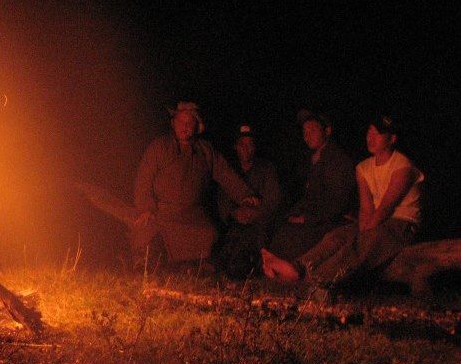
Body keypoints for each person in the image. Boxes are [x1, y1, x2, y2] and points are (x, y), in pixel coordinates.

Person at [261, 115, 423, 289]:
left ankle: (317, 279)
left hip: (401, 223)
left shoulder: (402, 166)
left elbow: (385, 208)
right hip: (373, 221)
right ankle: (298, 266)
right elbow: (366, 207)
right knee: (337, 236)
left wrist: (365, 232)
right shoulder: (363, 168)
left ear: (392, 139)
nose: (371, 138)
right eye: (369, 133)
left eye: (377, 134)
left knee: (364, 243)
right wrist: (362, 228)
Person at [132, 101, 258, 267]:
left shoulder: (205, 150)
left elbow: (226, 174)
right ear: (173, 123)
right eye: (181, 122)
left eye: (189, 123)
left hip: (193, 215)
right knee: (145, 232)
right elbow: (143, 180)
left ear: (197, 126)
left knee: (210, 235)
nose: (185, 126)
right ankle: (149, 264)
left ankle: (193, 265)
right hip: (162, 213)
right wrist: (146, 208)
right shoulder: (159, 147)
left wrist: (245, 195)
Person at [267, 109, 356, 261]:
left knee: (289, 242)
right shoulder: (313, 159)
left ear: (327, 131)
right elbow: (308, 196)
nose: (307, 136)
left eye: (313, 130)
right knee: (277, 227)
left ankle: (294, 270)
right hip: (315, 218)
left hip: (333, 221)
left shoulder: (337, 160)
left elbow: (338, 203)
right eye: (305, 132)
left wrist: (307, 218)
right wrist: (292, 214)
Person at [214, 124, 282, 278]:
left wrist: (255, 214)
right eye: (242, 145)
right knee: (226, 243)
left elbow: (273, 200)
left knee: (249, 244)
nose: (246, 149)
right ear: (235, 147)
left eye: (250, 144)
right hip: (234, 223)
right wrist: (234, 213)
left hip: (259, 224)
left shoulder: (266, 168)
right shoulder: (229, 170)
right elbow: (222, 200)